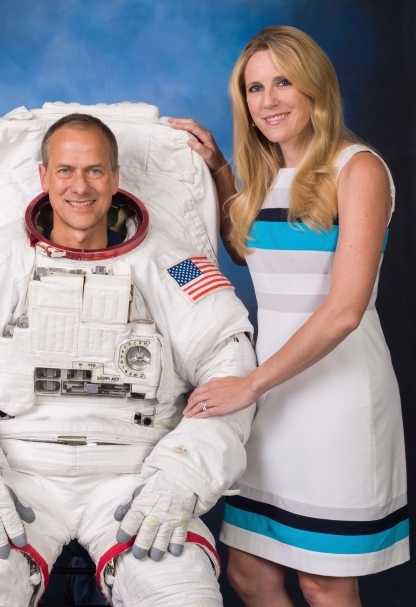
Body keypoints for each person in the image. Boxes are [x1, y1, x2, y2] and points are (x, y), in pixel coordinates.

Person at [0, 112, 258, 607]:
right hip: (12, 471)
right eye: (65, 171)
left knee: (180, 594)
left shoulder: (170, 262)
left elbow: (231, 367)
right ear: (43, 178)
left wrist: (183, 478)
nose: (79, 186)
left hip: (134, 475)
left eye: (94, 171)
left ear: (115, 178)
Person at [170, 25, 408, 607]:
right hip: (272, 397)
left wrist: (247, 386)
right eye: (255, 89)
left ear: (315, 88)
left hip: (335, 400)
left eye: (283, 82)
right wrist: (222, 168)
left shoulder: (359, 170)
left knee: (323, 580)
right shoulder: (269, 175)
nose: (269, 100)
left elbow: (346, 311)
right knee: (251, 573)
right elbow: (247, 250)